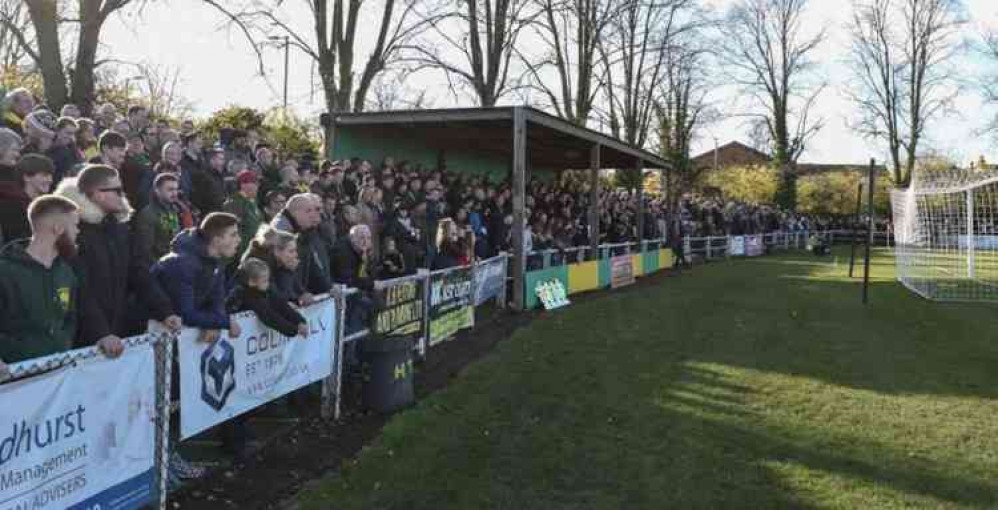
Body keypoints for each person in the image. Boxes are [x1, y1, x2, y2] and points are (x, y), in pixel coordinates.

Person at [54, 164, 182, 350]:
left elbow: (140, 272)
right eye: (117, 190)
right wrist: (101, 333)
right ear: (98, 194)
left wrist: (165, 311)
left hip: (119, 331)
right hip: (84, 340)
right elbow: (79, 289)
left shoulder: (121, 228)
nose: (123, 194)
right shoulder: (75, 233)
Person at [0, 195, 81, 379]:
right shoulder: (5, 271)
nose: (78, 231)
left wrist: (62, 344)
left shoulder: (66, 272)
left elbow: (69, 319)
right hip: (13, 381)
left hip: (56, 378)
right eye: (75, 225)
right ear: (58, 228)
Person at [152, 212, 242, 339]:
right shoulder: (183, 263)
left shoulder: (217, 261)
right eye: (233, 235)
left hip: (175, 335)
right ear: (216, 240)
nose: (239, 239)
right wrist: (225, 322)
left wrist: (215, 324)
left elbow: (217, 301)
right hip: (149, 334)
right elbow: (185, 313)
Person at [272, 193, 332, 295]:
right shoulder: (281, 231)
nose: (313, 215)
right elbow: (285, 269)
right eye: (308, 211)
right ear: (296, 212)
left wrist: (328, 287)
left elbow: (315, 263)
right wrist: (299, 294)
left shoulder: (303, 231)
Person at [0, 154, 55, 244]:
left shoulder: (47, 204)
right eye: (44, 175)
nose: (50, 180)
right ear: (26, 177)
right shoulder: (10, 205)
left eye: (50, 175)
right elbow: (16, 241)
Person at [331, 224, 375, 334]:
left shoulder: (361, 251)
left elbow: (364, 275)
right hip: (339, 299)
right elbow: (348, 279)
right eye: (361, 238)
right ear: (352, 238)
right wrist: (371, 284)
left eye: (368, 238)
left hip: (351, 298)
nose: (365, 242)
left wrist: (364, 260)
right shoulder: (342, 251)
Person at [133, 173, 184, 264]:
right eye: (170, 189)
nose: (175, 193)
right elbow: (145, 250)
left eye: (176, 189)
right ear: (157, 191)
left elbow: (173, 235)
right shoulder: (148, 214)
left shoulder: (172, 209)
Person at [224, 170, 264, 260]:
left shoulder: (252, 201)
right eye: (254, 183)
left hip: (256, 250)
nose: (258, 186)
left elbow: (259, 223)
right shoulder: (234, 204)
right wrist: (242, 253)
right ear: (243, 185)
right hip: (242, 255)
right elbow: (233, 232)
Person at [47, 117, 80, 184]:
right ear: (57, 131)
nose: (71, 137)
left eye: (73, 134)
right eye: (68, 133)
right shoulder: (46, 147)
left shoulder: (72, 151)